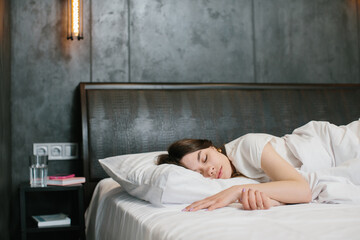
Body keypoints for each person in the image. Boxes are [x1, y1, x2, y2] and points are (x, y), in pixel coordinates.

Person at [157, 120, 360, 211]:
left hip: (341, 144)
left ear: (213, 147)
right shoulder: (234, 175)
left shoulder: (246, 146)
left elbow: (302, 189)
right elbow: (287, 190)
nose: (209, 170)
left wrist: (238, 191)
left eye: (204, 158)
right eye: (200, 173)